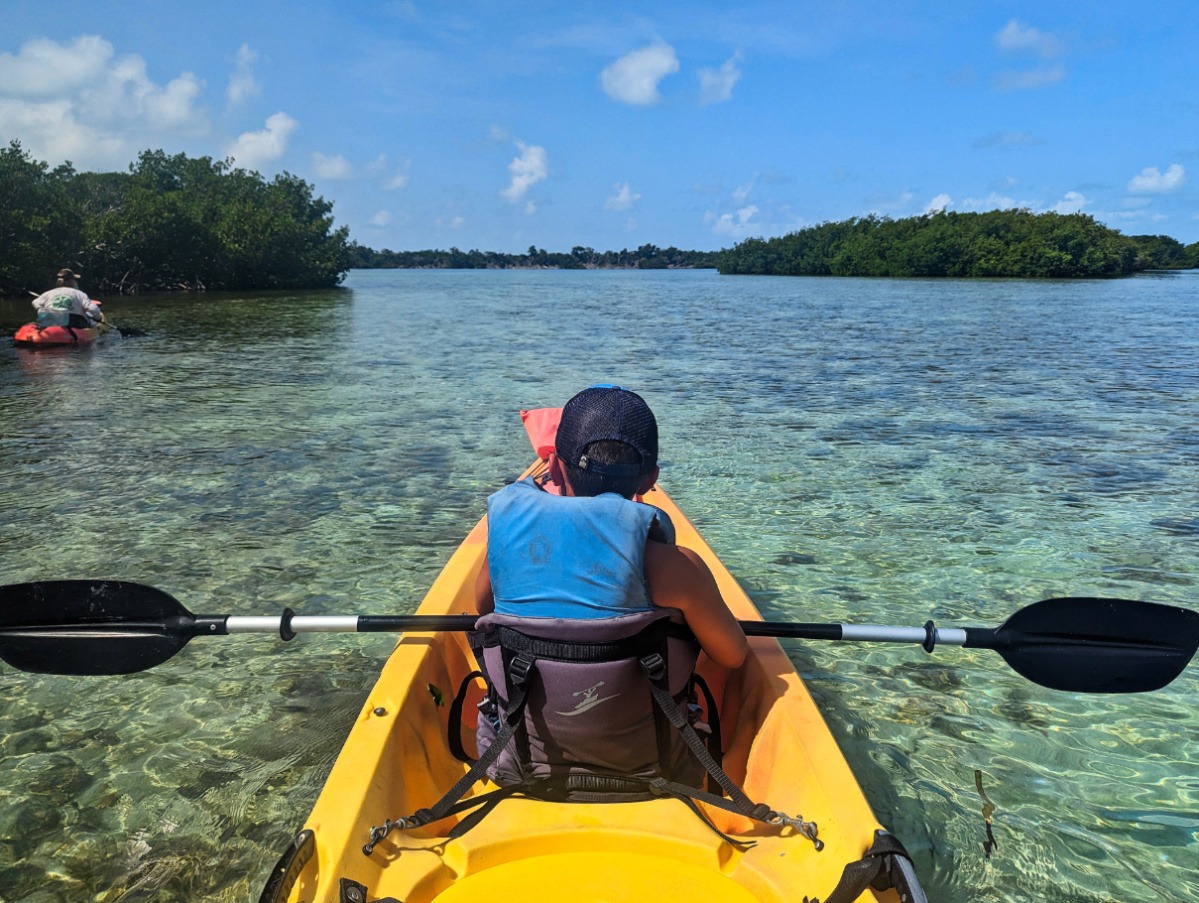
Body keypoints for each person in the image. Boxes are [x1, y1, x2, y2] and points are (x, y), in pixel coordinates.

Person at [474, 384, 747, 670]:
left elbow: (484, 607)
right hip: (642, 700)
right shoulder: (680, 569)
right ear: (650, 480)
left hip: (523, 698)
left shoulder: (510, 545)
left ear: (553, 469)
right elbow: (733, 656)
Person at [31, 269, 102, 329]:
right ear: (71, 280)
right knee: (91, 322)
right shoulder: (80, 294)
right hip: (72, 324)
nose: (76, 282)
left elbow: (35, 302)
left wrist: (40, 309)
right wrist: (98, 318)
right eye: (75, 280)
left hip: (48, 322)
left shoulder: (47, 293)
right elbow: (93, 309)